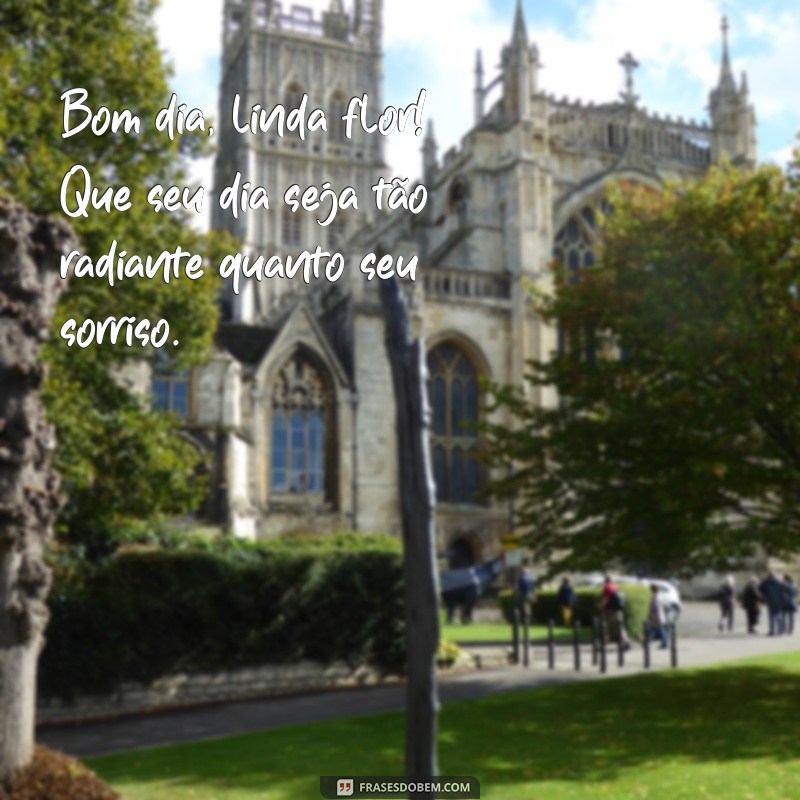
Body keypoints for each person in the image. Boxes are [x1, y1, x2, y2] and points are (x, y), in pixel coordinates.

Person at [599, 576, 630, 649]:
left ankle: (604, 644)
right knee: (620, 627)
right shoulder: (615, 587)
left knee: (606, 627)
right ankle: (626, 642)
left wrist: (600, 606)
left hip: (610, 611)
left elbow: (606, 599)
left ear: (605, 581)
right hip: (618, 610)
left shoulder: (607, 588)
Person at [647, 583, 669, 648]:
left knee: (659, 630)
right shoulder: (658, 596)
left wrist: (651, 616)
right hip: (658, 616)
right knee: (654, 630)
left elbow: (656, 608)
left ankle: (664, 643)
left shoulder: (656, 597)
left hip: (657, 617)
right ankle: (648, 642)